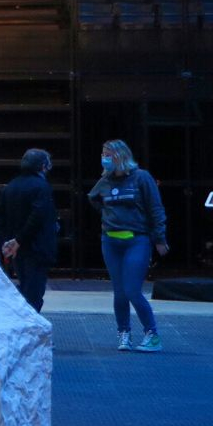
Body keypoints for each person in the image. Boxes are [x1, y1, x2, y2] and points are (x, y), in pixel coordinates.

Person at [88, 139, 168, 352]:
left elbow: (156, 209)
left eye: (108, 154)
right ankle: (124, 332)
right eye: (103, 154)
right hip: (110, 242)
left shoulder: (141, 177)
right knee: (119, 291)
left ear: (121, 155)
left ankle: (152, 334)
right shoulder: (105, 180)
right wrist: (109, 217)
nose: (104, 158)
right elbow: (93, 198)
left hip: (136, 240)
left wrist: (159, 238)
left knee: (132, 289)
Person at [0, 148, 60, 313]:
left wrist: (8, 242)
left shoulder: (11, 186)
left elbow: (0, 217)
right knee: (34, 292)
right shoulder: (42, 187)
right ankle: (31, 325)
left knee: (25, 287)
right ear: (43, 166)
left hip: (16, 250)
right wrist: (19, 239)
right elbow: (38, 217)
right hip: (36, 247)